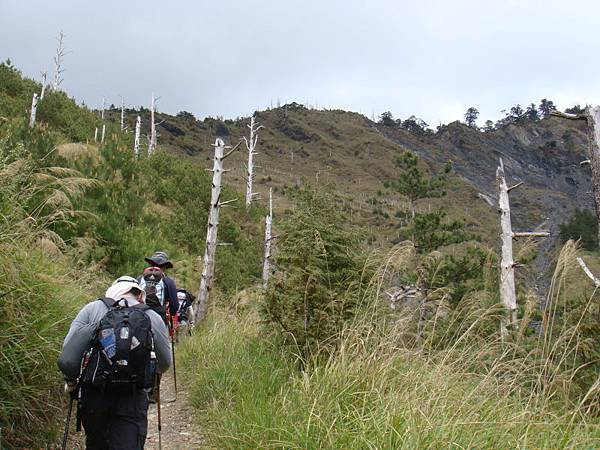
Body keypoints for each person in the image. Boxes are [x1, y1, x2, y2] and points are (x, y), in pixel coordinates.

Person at [58, 276, 172, 450]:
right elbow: (164, 363)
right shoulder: (150, 315)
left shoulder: (92, 309)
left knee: (97, 443)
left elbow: (68, 350)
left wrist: (72, 383)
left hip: (95, 395)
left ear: (112, 291)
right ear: (139, 294)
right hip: (132, 397)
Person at [138, 251, 179, 327]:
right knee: (164, 338)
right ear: (165, 267)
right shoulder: (168, 282)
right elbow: (175, 306)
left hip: (139, 316)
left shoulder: (139, 279)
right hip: (159, 319)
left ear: (150, 264)